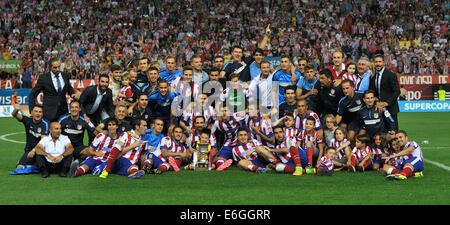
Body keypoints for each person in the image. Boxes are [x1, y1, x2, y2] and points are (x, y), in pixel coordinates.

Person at [29, 58, 76, 122]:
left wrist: (72, 93)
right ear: (50, 67)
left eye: (59, 67)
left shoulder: (65, 75)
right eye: (55, 67)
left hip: (63, 112)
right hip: (49, 113)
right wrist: (32, 110)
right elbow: (33, 94)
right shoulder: (43, 78)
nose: (58, 69)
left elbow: (69, 87)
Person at [11, 104, 49, 169]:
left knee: (43, 167)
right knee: (19, 167)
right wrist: (16, 109)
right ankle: (34, 166)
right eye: (36, 111)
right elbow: (14, 115)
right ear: (31, 112)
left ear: (42, 114)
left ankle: (36, 165)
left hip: (41, 151)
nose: (38, 114)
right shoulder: (28, 120)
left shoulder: (45, 124)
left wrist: (34, 151)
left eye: (40, 112)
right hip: (29, 151)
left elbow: (43, 141)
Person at [79, 73, 115, 142]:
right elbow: (80, 103)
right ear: (98, 82)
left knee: (94, 137)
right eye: (102, 81)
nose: (104, 84)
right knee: (79, 135)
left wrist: (111, 118)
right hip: (82, 115)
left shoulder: (108, 92)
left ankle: (91, 152)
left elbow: (110, 108)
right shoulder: (89, 90)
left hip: (94, 117)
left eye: (106, 82)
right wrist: (84, 115)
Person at [370, 54, 400, 131]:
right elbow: (373, 93)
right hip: (379, 109)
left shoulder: (390, 75)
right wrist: (377, 102)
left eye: (380, 62)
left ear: (383, 63)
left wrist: (386, 103)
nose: (378, 64)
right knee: (382, 133)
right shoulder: (373, 77)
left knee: (393, 132)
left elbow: (397, 91)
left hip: (390, 109)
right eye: (376, 62)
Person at [210, 105, 243, 171]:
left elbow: (247, 112)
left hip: (240, 144)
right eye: (222, 111)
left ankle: (231, 161)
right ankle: (221, 166)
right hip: (228, 145)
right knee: (219, 159)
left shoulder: (237, 117)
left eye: (226, 111)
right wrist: (214, 146)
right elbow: (211, 134)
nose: (224, 113)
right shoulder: (217, 123)